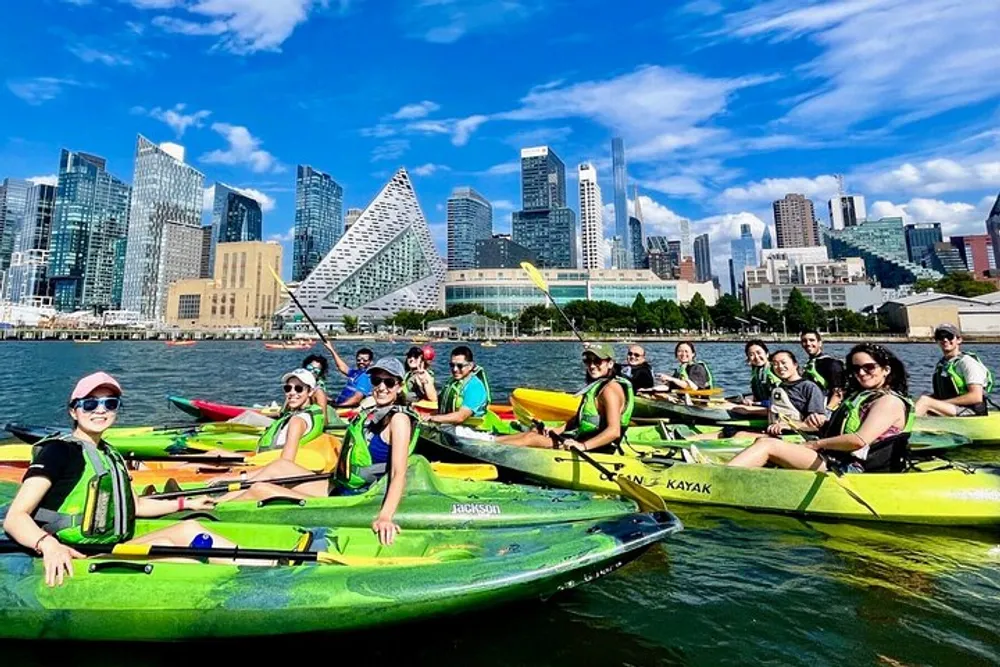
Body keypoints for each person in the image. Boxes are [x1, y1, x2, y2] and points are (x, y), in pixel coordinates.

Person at [2, 373, 239, 587]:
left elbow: (136, 506)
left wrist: (185, 504)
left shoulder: (110, 454)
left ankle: (265, 574)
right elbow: (15, 518)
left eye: (110, 404)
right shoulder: (58, 452)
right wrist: (48, 544)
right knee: (184, 562)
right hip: (77, 556)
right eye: (90, 404)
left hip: (107, 547)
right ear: (74, 411)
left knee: (190, 528)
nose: (101, 410)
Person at [219, 359, 418, 546]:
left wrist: (385, 517)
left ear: (399, 386)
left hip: (356, 497)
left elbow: (397, 473)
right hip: (340, 486)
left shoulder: (398, 419)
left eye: (389, 382)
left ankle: (211, 513)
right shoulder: (373, 413)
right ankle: (214, 498)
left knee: (261, 489)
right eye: (376, 380)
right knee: (281, 466)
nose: (381, 387)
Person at [727, 344, 912, 473]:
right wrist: (823, 424)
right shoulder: (863, 397)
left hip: (851, 467)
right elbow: (846, 429)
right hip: (837, 457)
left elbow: (858, 440)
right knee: (762, 440)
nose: (861, 373)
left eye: (869, 367)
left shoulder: (888, 402)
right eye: (856, 369)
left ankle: (715, 481)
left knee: (768, 445)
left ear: (886, 370)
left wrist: (815, 444)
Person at [497, 343, 633, 452]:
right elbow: (579, 419)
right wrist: (557, 430)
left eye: (597, 361)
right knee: (535, 432)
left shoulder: (610, 390)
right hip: (583, 440)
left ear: (610, 363)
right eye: (588, 360)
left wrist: (583, 446)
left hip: (595, 447)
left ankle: (487, 449)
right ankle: (488, 442)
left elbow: (614, 431)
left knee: (531, 439)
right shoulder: (599, 385)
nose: (592, 365)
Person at [729, 350, 827, 436]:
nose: (780, 367)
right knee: (729, 430)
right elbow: (776, 411)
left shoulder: (809, 387)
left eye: (783, 363)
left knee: (739, 435)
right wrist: (748, 411)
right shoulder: (779, 388)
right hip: (774, 431)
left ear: (795, 364)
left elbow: (816, 424)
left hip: (796, 435)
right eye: (775, 364)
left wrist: (787, 426)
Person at [915, 323, 994, 417]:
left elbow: (976, 397)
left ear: (959, 340)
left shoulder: (967, 363)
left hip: (971, 411)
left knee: (925, 401)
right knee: (923, 399)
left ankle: (901, 429)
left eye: (949, 336)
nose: (945, 340)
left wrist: (939, 404)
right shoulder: (943, 364)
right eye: (940, 337)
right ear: (937, 341)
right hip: (952, 408)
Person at [425, 346, 491, 425]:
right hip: (450, 426)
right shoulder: (452, 382)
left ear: (470, 366)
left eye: (460, 366)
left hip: (472, 430)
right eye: (452, 365)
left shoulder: (475, 387)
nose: (455, 369)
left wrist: (433, 418)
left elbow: (461, 417)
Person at [799, 330, 845, 411]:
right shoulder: (809, 365)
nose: (808, 343)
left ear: (820, 343)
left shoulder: (831, 364)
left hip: (826, 411)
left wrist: (827, 412)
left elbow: (838, 393)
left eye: (812, 340)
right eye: (804, 341)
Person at [323, 342, 374, 407]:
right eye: (359, 360)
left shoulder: (365, 378)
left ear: (371, 362)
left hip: (346, 408)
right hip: (338, 403)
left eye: (365, 360)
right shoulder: (355, 373)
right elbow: (342, 367)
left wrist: (338, 406)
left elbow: (356, 399)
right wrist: (331, 348)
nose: (361, 362)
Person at [741, 340, 780, 406]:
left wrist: (757, 403)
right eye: (751, 355)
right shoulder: (756, 371)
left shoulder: (775, 369)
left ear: (767, 354)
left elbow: (781, 399)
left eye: (759, 353)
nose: (756, 357)